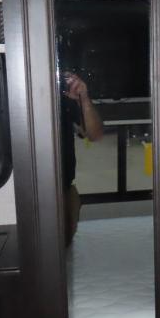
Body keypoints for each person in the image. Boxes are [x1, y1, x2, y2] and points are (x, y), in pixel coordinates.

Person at [61, 72, 103, 246]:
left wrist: (82, 99)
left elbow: (95, 134)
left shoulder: (63, 99)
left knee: (64, 250)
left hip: (64, 189)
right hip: (36, 191)